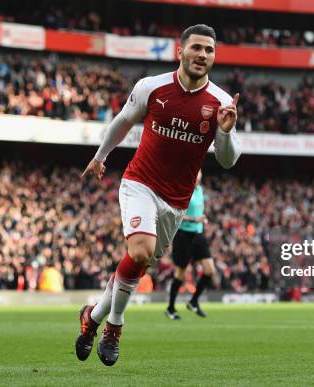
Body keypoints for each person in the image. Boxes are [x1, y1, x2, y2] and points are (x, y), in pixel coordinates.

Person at [75, 24, 241, 366]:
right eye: (196, 48)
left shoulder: (222, 102)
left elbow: (226, 160)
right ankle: (114, 328)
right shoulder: (152, 87)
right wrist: (100, 156)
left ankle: (91, 318)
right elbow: (123, 121)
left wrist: (224, 132)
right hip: (139, 183)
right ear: (179, 52)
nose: (202, 55)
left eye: (209, 50)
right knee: (141, 250)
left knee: (138, 264)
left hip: (176, 202)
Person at [165, 170, 217, 320]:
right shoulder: (183, 190)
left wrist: (202, 219)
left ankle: (193, 301)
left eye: (200, 174)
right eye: (196, 174)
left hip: (198, 235)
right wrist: (194, 220)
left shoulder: (200, 190)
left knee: (210, 270)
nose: (198, 177)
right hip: (183, 235)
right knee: (180, 273)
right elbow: (176, 213)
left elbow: (198, 210)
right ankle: (170, 308)